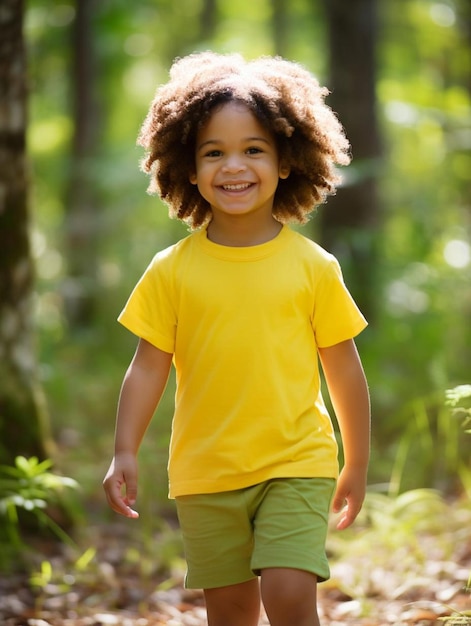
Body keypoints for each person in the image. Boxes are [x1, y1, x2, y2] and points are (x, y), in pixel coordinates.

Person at [103, 51, 370, 626]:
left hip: (296, 462)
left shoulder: (314, 267)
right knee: (228, 610)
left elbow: (343, 368)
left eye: (253, 149)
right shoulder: (170, 269)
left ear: (287, 162)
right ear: (188, 168)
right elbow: (147, 367)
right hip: (205, 471)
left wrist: (357, 461)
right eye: (213, 152)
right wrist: (124, 448)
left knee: (290, 593)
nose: (234, 166)